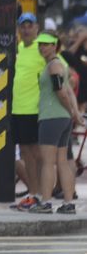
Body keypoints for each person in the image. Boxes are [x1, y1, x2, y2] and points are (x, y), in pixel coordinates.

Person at [31, 31, 84, 214]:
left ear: (55, 45)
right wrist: (74, 113)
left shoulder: (53, 66)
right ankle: (68, 203)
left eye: (46, 44)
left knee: (47, 162)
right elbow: (69, 90)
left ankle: (46, 202)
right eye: (40, 44)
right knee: (62, 161)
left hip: (51, 117)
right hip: (62, 118)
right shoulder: (61, 65)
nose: (42, 47)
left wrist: (71, 111)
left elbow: (61, 92)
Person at [11, 14, 45, 210]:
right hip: (18, 109)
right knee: (25, 153)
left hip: (35, 110)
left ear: (36, 27)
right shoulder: (18, 48)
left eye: (29, 26)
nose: (25, 30)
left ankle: (42, 192)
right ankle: (33, 193)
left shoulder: (42, 47)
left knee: (38, 154)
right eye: (22, 26)